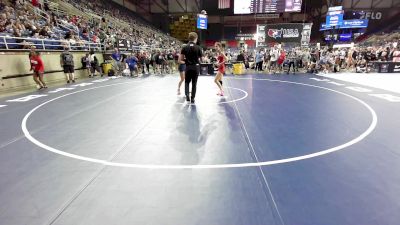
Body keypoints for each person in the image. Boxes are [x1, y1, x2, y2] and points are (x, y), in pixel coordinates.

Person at [179, 32, 202, 104]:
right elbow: (201, 60)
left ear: (189, 38)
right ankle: (192, 98)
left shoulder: (184, 47)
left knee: (186, 82)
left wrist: (187, 61)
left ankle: (187, 96)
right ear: (196, 38)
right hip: (196, 67)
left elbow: (181, 59)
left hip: (188, 67)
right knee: (194, 83)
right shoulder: (198, 47)